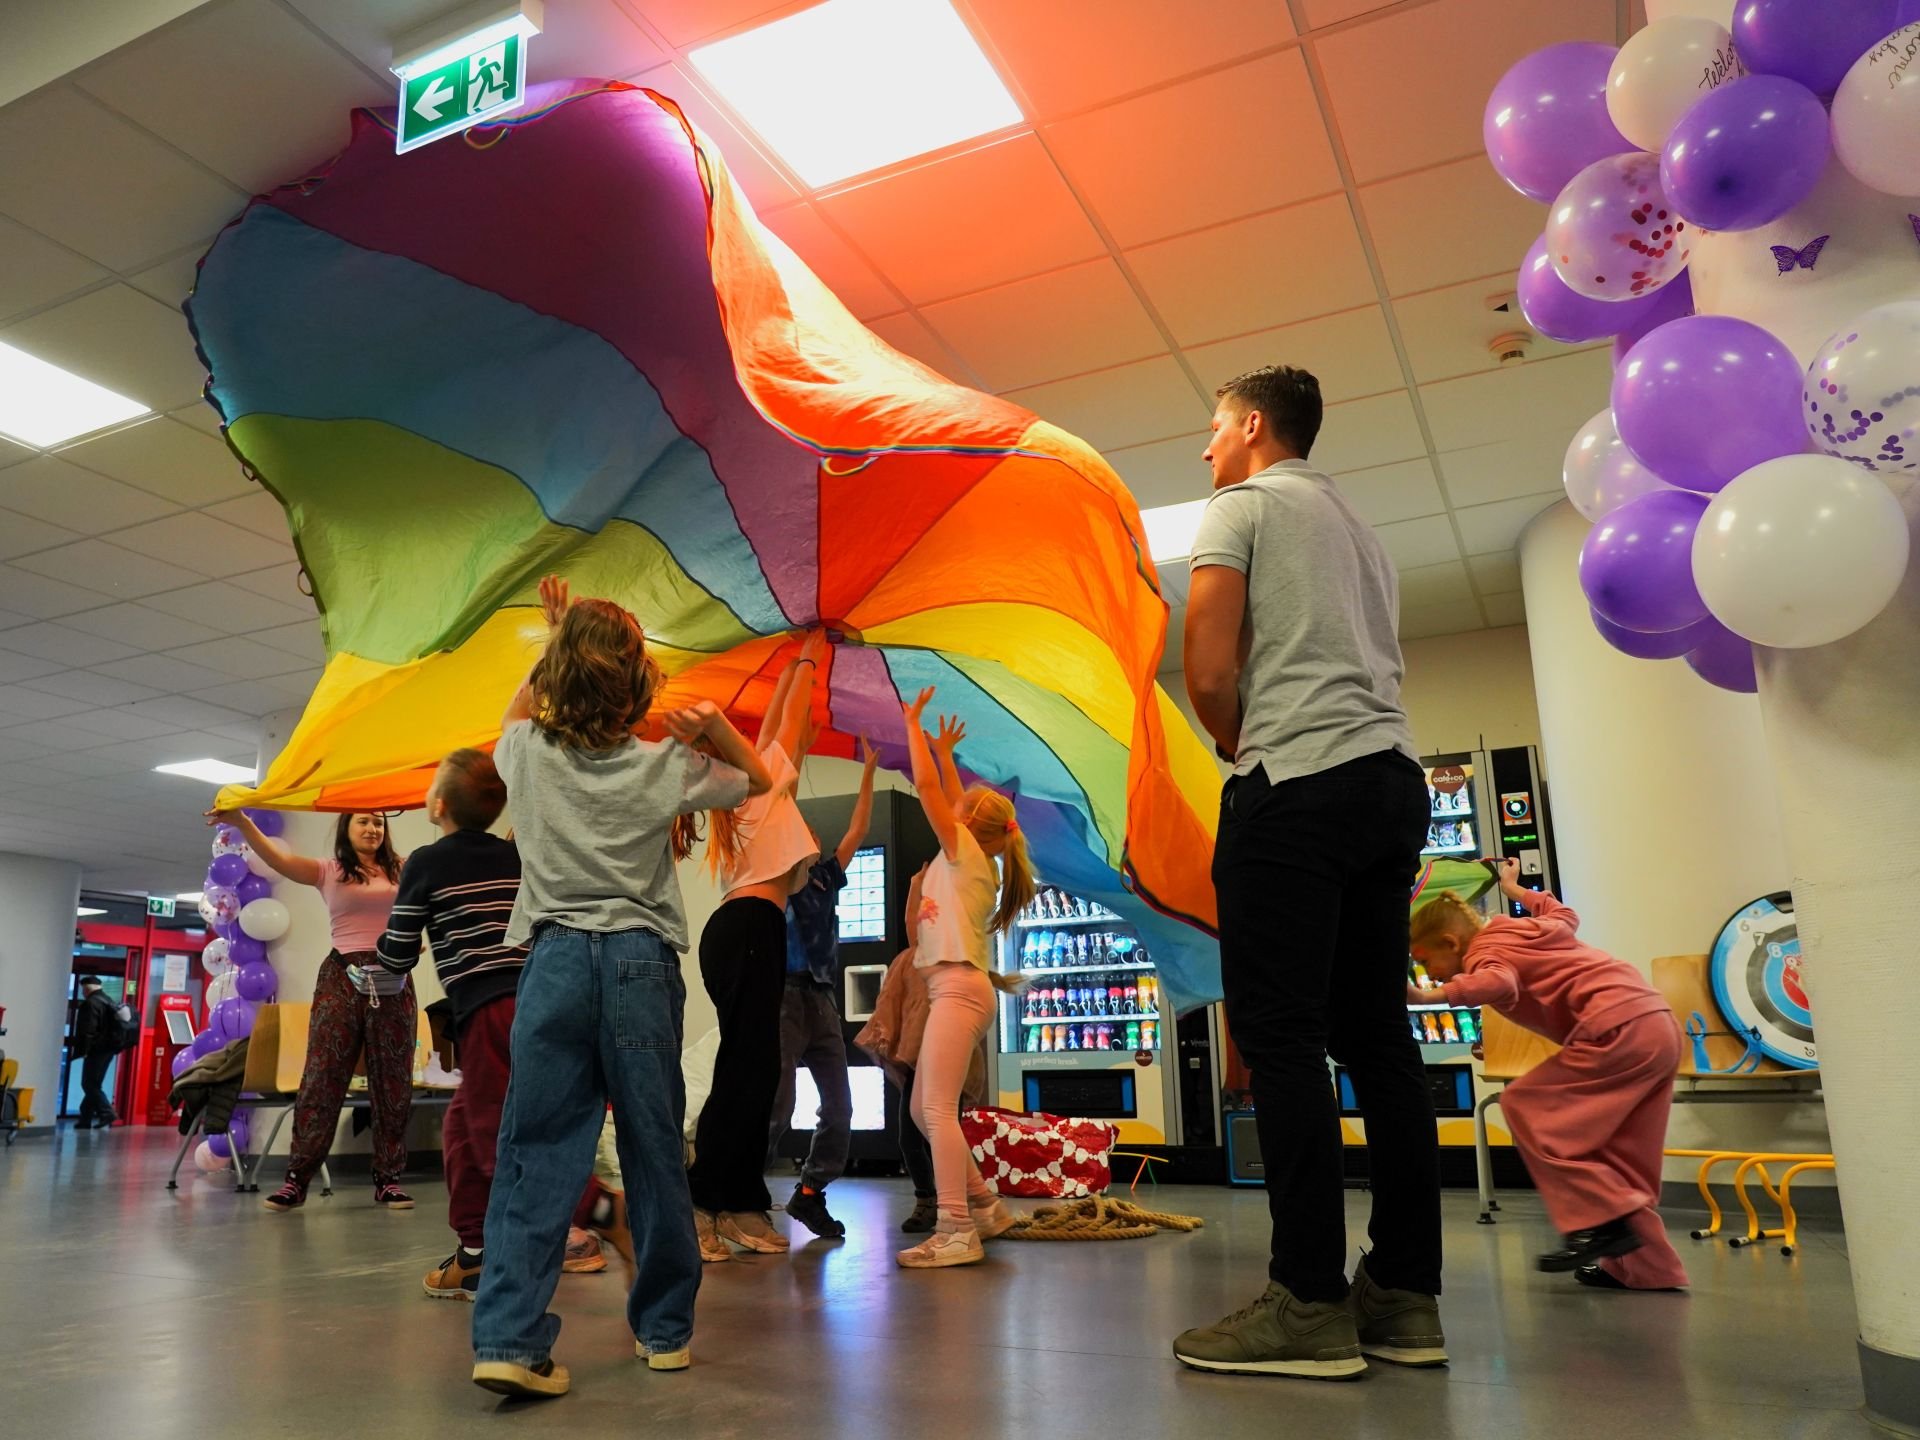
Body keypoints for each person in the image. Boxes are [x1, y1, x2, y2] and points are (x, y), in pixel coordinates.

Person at [1175, 365, 1444, 1379]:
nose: (1206, 447)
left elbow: (1208, 669)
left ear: (1252, 425)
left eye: (1214, 427)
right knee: (1379, 1040)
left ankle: (1308, 1303)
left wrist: (1241, 747)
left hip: (1296, 783)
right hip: (1391, 782)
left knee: (1281, 1039)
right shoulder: (1360, 531)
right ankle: (1405, 1297)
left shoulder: (1239, 506)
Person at [470, 576, 771, 1400]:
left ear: (557, 675)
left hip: (556, 962)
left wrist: (556, 638)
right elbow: (756, 781)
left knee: (536, 1152)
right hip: (641, 961)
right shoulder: (664, 764)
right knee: (653, 1149)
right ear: (638, 685)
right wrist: (714, 727)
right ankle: (665, 1332)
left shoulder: (525, 755)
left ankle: (509, 1339)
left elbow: (515, 713)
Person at [1409, 860, 1687, 1290]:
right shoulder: (1527, 930)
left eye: (1426, 961)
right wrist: (1514, 888)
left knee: (1524, 1105)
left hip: (1613, 1029)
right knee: (1618, 1156)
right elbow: (1564, 914)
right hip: (1655, 1024)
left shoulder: (1483, 951)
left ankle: (1602, 1222)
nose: (1429, 973)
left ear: (1451, 942)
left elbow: (1500, 983)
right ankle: (1650, 1270)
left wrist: (1426, 997)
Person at [370, 748, 537, 1300]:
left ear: (438, 804)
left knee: (492, 1135)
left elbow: (398, 952)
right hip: (532, 1000)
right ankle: (474, 1253)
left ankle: (594, 1213)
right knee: (462, 1130)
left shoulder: (426, 862)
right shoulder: (514, 856)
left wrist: (383, 957)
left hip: (489, 1008)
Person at [686, 634, 824, 1262]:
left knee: (755, 1070)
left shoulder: (750, 786)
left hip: (747, 930)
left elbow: (777, 724)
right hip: (746, 930)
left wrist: (796, 661)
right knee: (748, 1072)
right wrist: (809, 657)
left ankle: (738, 1200)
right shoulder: (752, 785)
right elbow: (788, 723)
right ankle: (705, 1200)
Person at [213, 806, 415, 1213]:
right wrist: (244, 823)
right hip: (341, 975)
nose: (373, 828)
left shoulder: (404, 868)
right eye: (364, 820)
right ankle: (296, 1180)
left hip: (392, 977)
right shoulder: (329, 870)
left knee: (393, 1080)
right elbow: (277, 859)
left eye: (379, 822)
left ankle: (389, 1180)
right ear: (347, 827)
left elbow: (450, 869)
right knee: (323, 1075)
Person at [895, 690, 1030, 1269]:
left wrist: (912, 727)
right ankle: (984, 1206)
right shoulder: (971, 855)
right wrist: (947, 754)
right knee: (923, 1112)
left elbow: (930, 792)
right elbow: (950, 796)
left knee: (936, 1112)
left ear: (968, 824)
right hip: (954, 990)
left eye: (963, 806)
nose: (955, 805)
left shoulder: (962, 853)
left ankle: (955, 1228)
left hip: (957, 991)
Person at [767, 735, 878, 1239]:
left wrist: (868, 772)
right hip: (785, 996)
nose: (809, 834)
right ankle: (737, 1191)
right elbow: (776, 810)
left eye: (811, 830)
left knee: (839, 1107)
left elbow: (858, 830)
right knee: (777, 1105)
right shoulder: (778, 880)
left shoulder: (826, 878)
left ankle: (810, 1193)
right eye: (801, 830)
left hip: (821, 999)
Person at [73, 976, 119, 1129]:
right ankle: (85, 1119)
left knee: (89, 1084)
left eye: (83, 989)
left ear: (87, 989)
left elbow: (89, 1029)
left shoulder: (91, 1003)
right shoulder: (109, 1000)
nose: (82, 993)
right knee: (94, 1084)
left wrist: (85, 1050)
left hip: (96, 1050)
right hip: (108, 1049)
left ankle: (107, 1112)